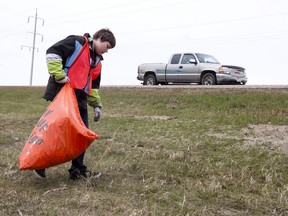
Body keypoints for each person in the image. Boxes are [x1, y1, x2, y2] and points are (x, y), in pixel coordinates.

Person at [33, 28, 116, 180]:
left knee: (82, 135)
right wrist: (59, 75)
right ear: (101, 38)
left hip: (81, 99)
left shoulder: (97, 62)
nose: (107, 51)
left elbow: (93, 86)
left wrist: (96, 105)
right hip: (64, 95)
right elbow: (52, 52)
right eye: (107, 46)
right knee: (57, 132)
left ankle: (77, 171)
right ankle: (39, 163)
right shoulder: (76, 42)